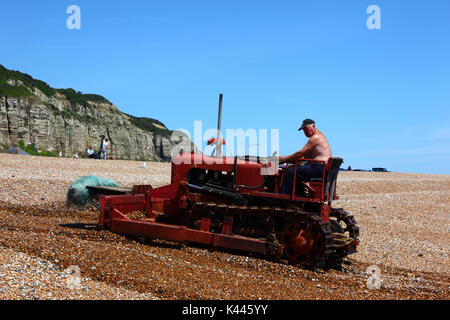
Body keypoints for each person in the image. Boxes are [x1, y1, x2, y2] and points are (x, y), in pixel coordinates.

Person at [278, 119, 332, 195]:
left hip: (318, 167)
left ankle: (284, 196)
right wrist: (286, 159)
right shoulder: (319, 137)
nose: (305, 132)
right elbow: (303, 157)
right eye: (303, 130)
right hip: (320, 168)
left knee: (291, 172)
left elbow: (300, 153)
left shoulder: (316, 138)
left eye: (306, 128)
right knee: (292, 169)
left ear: (313, 126)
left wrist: (285, 159)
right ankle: (298, 195)